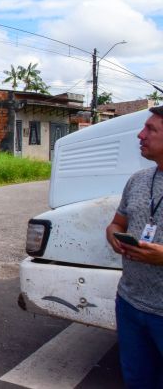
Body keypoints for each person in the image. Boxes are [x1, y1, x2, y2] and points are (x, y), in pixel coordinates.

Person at [106, 105, 163, 388]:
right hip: (130, 304)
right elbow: (117, 223)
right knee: (137, 380)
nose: (141, 135)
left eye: (151, 130)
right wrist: (115, 235)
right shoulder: (138, 180)